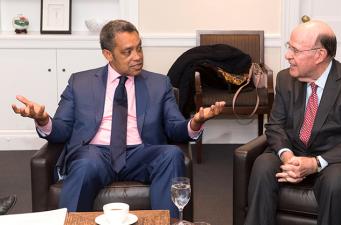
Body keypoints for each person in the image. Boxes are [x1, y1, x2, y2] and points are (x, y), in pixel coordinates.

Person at [12, 20, 225, 217]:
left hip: (141, 153)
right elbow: (62, 130)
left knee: (171, 155)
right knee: (85, 164)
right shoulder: (80, 82)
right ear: (108, 54)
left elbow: (174, 127)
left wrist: (195, 122)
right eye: (128, 51)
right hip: (95, 153)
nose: (138, 56)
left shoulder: (159, 84)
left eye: (139, 48)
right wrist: (42, 120)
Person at [245, 20, 341, 225]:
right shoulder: (285, 79)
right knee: (263, 165)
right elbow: (275, 126)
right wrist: (287, 156)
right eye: (289, 48)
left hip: (334, 159)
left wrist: (315, 163)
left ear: (319, 55)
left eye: (295, 50)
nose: (288, 55)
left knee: (335, 181)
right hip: (295, 151)